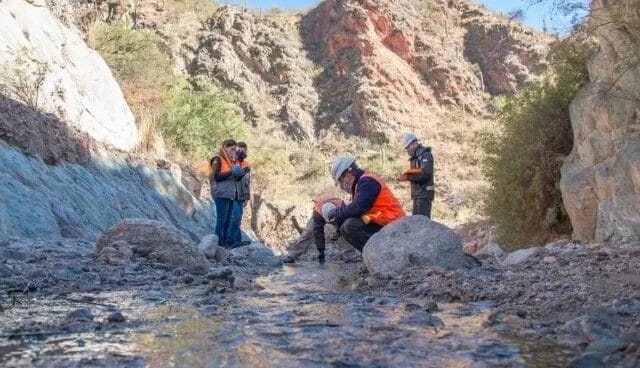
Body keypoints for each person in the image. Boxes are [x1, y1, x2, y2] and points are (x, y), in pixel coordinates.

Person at [320, 156, 406, 260]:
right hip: (381, 219)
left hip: (394, 222)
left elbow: (358, 208)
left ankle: (380, 255)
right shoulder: (360, 184)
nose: (342, 185)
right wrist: (338, 227)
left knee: (350, 226)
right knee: (346, 227)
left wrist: (335, 213)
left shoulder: (367, 182)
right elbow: (354, 210)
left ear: (348, 175)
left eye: (341, 181)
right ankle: (371, 256)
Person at [282, 195, 345, 264]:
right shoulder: (317, 212)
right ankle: (292, 255)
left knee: (344, 230)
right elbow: (318, 231)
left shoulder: (342, 208)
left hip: (338, 214)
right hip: (320, 211)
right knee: (308, 232)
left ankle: (351, 256)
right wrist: (321, 250)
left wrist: (338, 231)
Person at [210, 139, 245, 248]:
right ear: (225, 147)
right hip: (221, 193)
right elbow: (216, 177)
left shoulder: (230, 161)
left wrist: (242, 173)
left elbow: (234, 179)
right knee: (221, 220)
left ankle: (224, 245)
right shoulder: (218, 159)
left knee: (228, 221)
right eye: (232, 149)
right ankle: (218, 245)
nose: (233, 152)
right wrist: (231, 171)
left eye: (235, 150)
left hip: (230, 194)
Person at [398, 132, 435, 218]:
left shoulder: (426, 155)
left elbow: (426, 174)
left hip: (424, 195)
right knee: (416, 222)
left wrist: (408, 177)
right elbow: (416, 172)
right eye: (406, 148)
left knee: (422, 222)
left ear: (414, 143)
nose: (407, 150)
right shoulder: (414, 158)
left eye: (408, 147)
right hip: (417, 195)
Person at [229, 141, 252, 247]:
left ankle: (237, 240)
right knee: (234, 217)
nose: (241, 153)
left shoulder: (247, 165)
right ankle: (230, 241)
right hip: (232, 193)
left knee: (238, 218)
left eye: (243, 151)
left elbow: (248, 182)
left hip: (241, 195)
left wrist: (247, 197)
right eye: (239, 150)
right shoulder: (231, 162)